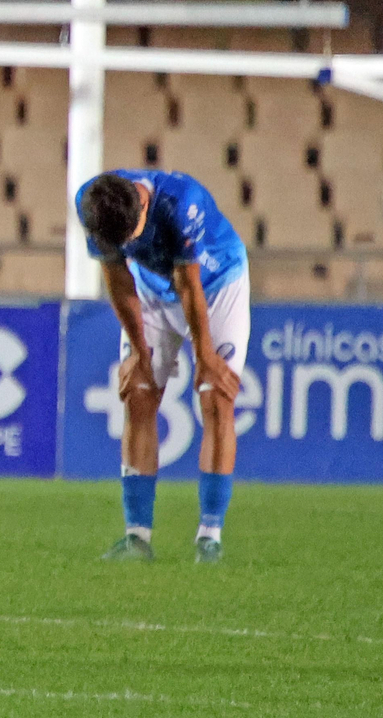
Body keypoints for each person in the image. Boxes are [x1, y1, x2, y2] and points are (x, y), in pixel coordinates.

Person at [76, 170, 249, 564]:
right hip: (152, 290)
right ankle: (137, 538)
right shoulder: (92, 204)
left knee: (216, 397)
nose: (129, 246)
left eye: (132, 236)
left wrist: (205, 357)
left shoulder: (181, 203)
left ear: (143, 205)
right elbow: (118, 280)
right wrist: (139, 353)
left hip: (216, 283)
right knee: (138, 396)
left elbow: (189, 286)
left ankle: (210, 537)